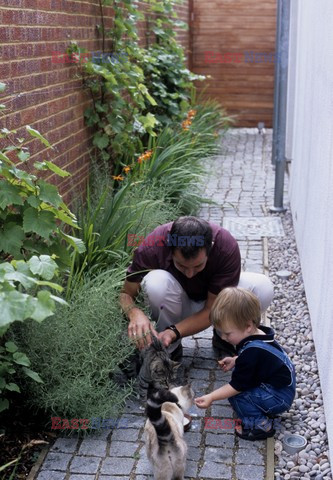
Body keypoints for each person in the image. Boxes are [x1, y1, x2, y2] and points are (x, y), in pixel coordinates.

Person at [119, 216, 274, 360]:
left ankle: (226, 335)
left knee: (262, 288)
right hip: (175, 304)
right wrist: (135, 313)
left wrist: (174, 331)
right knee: (155, 283)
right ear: (170, 249)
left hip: (215, 304)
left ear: (210, 248)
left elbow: (211, 310)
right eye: (181, 265)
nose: (190, 274)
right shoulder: (152, 245)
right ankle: (169, 349)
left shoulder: (225, 245)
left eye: (198, 265)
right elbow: (125, 294)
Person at [195, 287, 296, 441]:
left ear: (248, 326)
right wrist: (237, 360)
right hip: (282, 387)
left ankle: (260, 425)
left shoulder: (252, 352)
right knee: (242, 392)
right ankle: (262, 408)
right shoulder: (259, 334)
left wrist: (211, 397)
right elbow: (259, 360)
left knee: (238, 397)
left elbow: (236, 386)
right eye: (219, 332)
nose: (222, 338)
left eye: (227, 333)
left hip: (279, 397)